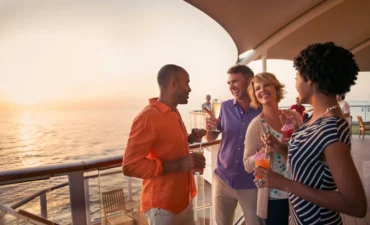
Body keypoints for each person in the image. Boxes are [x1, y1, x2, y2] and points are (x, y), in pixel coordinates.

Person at [255, 42, 367, 224]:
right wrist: (281, 148)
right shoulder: (315, 118)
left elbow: (356, 205)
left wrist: (283, 183)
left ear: (310, 79)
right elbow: (310, 164)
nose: (295, 83)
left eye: (296, 77)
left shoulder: (331, 127)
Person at [122, 64, 206, 225]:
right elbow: (130, 166)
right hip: (163, 208)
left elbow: (166, 143)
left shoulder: (173, 111)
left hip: (184, 198)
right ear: (173, 84)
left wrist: (189, 138)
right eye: (186, 83)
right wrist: (180, 164)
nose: (189, 89)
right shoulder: (148, 117)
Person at [206, 64, 264, 225]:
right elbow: (211, 138)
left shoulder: (263, 110)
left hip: (250, 183)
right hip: (222, 180)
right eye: (229, 83)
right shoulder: (225, 107)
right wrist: (209, 127)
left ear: (249, 81)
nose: (231, 87)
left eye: (235, 82)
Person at [244, 72, 302, 225]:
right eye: (257, 88)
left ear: (276, 88)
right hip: (274, 197)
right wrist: (263, 152)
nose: (262, 90)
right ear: (255, 95)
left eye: (267, 85)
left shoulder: (294, 116)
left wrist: (295, 134)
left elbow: (304, 154)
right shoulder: (256, 125)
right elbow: (247, 165)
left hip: (300, 190)